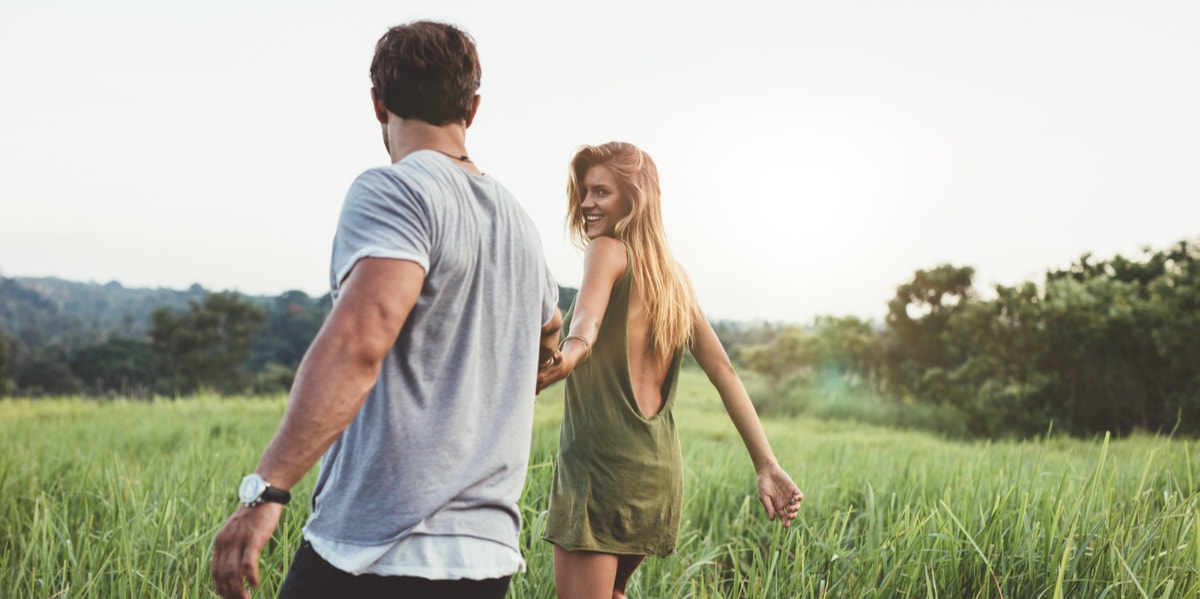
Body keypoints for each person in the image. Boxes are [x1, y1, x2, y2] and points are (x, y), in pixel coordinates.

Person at [210, 21, 561, 599]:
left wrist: (266, 490)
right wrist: (530, 368)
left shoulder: (396, 191)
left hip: (378, 552)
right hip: (486, 557)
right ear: (472, 108)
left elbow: (360, 342)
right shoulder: (520, 223)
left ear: (378, 104)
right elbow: (551, 327)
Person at [536, 141, 803, 599]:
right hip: (656, 476)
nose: (585, 203)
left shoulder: (606, 251)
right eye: (584, 192)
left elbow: (586, 323)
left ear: (633, 198)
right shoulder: (674, 279)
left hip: (602, 472)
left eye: (600, 191)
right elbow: (725, 374)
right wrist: (767, 464)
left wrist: (569, 356)